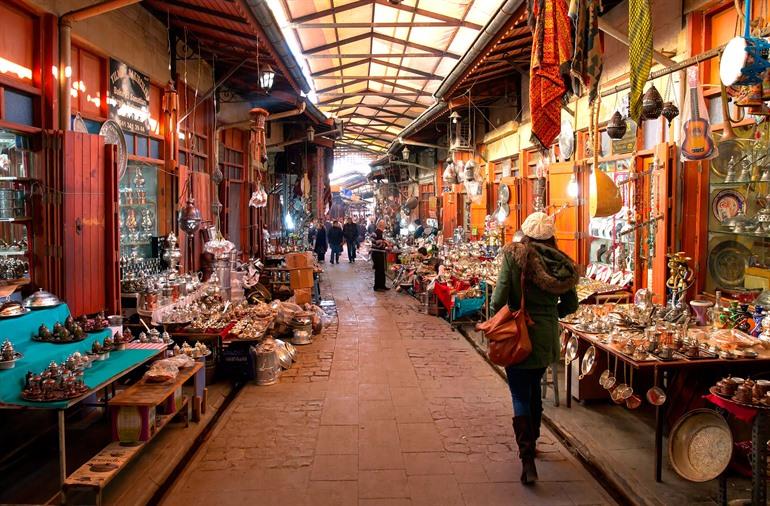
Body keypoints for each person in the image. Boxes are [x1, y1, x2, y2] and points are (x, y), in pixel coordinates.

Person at [489, 212, 579, 485]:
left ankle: (526, 456)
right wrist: (551, 313)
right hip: (546, 337)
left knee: (519, 393)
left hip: (519, 335)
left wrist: (506, 314)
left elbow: (499, 297)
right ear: (552, 237)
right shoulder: (561, 263)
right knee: (534, 390)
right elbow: (571, 305)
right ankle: (534, 441)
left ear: (526, 233)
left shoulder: (515, 257)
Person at [371, 219, 389, 291]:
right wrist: (384, 242)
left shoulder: (380, 232)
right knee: (378, 270)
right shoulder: (376, 232)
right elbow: (375, 243)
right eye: (384, 224)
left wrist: (384, 242)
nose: (385, 226)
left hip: (380, 253)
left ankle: (382, 285)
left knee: (382, 270)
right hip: (377, 253)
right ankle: (377, 286)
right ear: (381, 225)